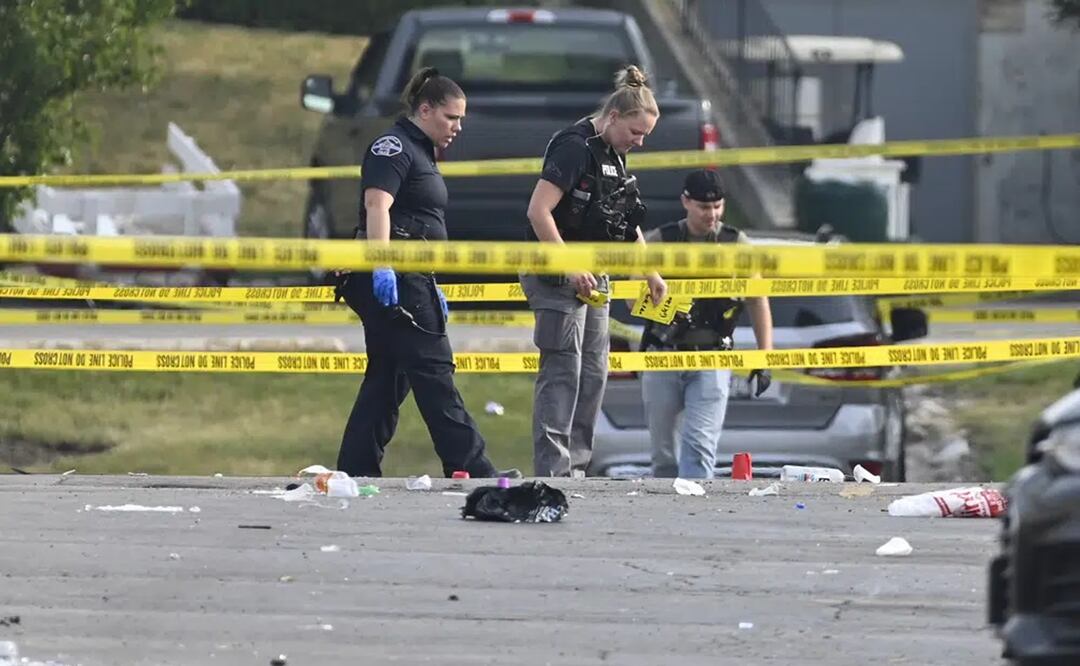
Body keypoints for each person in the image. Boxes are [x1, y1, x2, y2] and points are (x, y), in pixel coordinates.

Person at [334, 67, 508, 479]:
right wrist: (383, 265)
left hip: (414, 276)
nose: (458, 127)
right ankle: (472, 467)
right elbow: (378, 205)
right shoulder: (394, 146)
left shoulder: (421, 149)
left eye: (461, 119)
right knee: (434, 370)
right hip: (399, 274)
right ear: (425, 109)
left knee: (388, 379)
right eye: (452, 117)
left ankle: (356, 468)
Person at [521, 65, 667, 478]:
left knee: (594, 371)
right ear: (614, 117)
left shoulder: (615, 156)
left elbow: (624, 221)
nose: (638, 143)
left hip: (596, 275)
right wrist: (568, 266)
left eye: (644, 137)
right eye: (635, 134)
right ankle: (553, 472)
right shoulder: (574, 146)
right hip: (555, 272)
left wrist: (649, 273)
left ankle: (579, 466)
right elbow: (538, 211)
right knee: (562, 370)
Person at [640, 169, 774, 479]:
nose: (711, 215)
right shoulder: (662, 240)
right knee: (663, 454)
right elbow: (631, 298)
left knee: (699, 448)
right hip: (664, 354)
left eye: (717, 207)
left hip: (712, 356)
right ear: (685, 202)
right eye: (703, 207)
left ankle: (694, 514)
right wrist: (665, 302)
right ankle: (662, 518)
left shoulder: (736, 244)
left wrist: (764, 357)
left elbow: (757, 300)